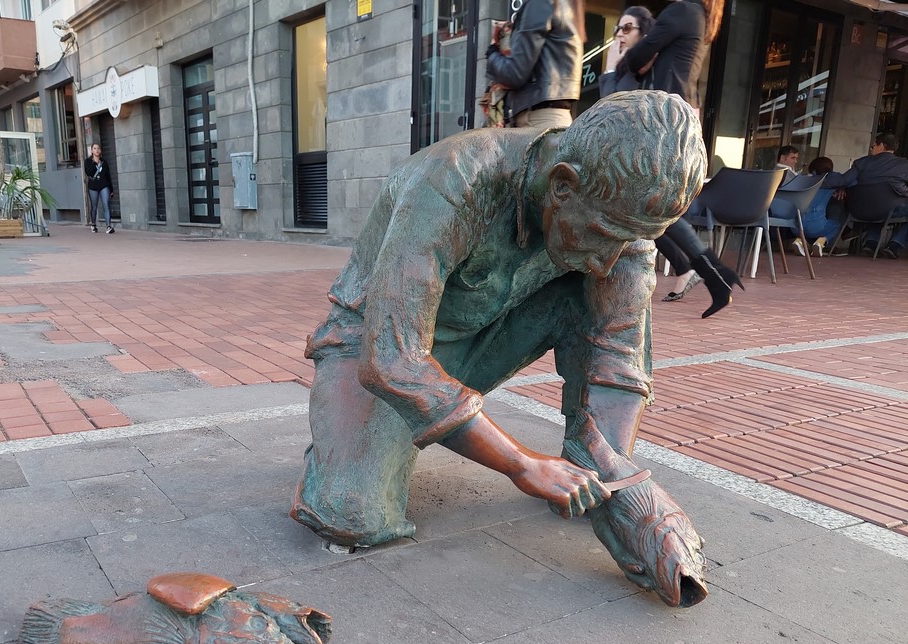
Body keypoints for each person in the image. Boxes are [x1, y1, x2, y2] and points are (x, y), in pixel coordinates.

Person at [290, 90, 706, 569]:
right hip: (377, 346)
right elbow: (391, 359)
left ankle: (585, 458)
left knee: (602, 289)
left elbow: (619, 354)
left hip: (485, 332)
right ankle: (334, 454)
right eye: (602, 236)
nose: (607, 261)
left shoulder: (620, 216)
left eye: (628, 241)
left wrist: (621, 483)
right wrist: (521, 464)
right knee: (352, 513)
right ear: (562, 186)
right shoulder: (453, 180)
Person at [623, 0, 738, 318]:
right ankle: (712, 274)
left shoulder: (682, 11)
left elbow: (635, 58)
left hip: (663, 118)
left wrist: (639, 56)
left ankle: (712, 274)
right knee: (652, 204)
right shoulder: (701, 16)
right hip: (675, 117)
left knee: (653, 203)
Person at [485, 0, 585, 129]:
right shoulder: (566, 5)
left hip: (536, 121)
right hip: (553, 117)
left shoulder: (540, 3)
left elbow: (514, 73)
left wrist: (492, 54)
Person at [823, 132, 908, 258]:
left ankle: (871, 243)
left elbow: (844, 180)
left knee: (878, 203)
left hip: (857, 210)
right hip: (886, 210)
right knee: (885, 205)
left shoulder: (861, 163)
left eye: (872, 146)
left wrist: (817, 180)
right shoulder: (904, 164)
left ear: (881, 146)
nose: (871, 149)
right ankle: (895, 245)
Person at [789, 156, 844, 257]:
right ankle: (821, 241)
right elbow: (846, 180)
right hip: (817, 227)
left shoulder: (801, 180)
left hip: (795, 227)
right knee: (836, 223)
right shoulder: (830, 184)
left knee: (806, 223)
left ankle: (800, 240)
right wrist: (841, 188)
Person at [599, 7, 655, 97]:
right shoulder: (623, 66)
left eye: (627, 28)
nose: (619, 34)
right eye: (618, 29)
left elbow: (612, 105)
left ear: (643, 33)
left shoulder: (648, 66)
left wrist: (610, 68)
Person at [84, 142, 115, 234]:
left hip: (104, 185)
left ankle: (108, 226)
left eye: (98, 148)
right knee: (94, 206)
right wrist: (95, 163)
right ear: (92, 151)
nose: (97, 150)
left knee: (106, 205)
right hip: (93, 186)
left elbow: (108, 176)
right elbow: (88, 172)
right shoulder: (88, 161)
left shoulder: (104, 162)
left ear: (100, 150)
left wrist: (111, 189)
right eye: (95, 148)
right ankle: (93, 224)